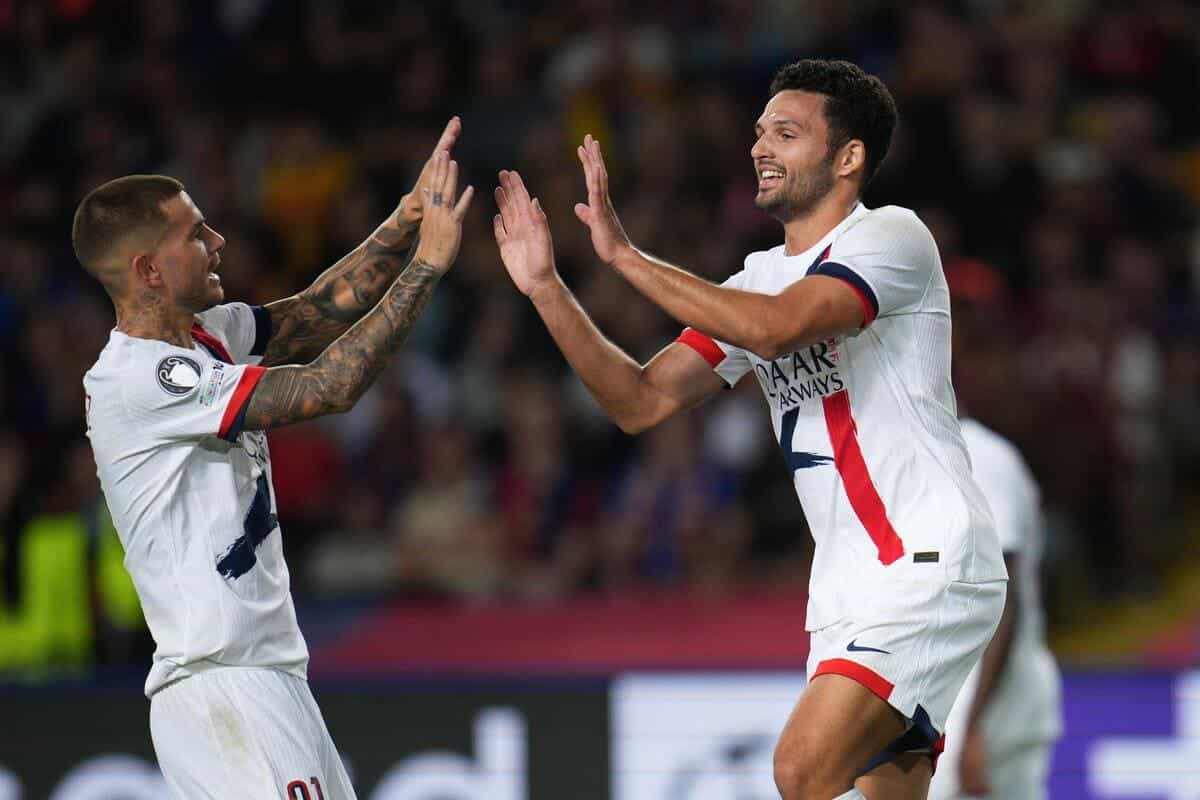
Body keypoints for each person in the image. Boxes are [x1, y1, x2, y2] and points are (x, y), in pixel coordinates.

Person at [493, 59, 1007, 799]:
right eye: (761, 132)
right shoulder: (754, 280)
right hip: (844, 591)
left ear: (848, 158)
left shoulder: (893, 238)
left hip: (926, 559)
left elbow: (776, 329)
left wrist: (624, 256)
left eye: (787, 134)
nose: (761, 147)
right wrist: (547, 287)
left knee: (800, 769)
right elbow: (640, 401)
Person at [75, 118, 473, 799]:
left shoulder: (205, 338)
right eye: (194, 234)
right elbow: (330, 386)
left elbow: (320, 309)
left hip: (267, 679)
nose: (217, 241)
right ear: (148, 270)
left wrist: (406, 219)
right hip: (223, 687)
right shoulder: (139, 379)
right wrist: (427, 266)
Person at [929, 268, 1062, 800]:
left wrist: (974, 727)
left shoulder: (979, 457)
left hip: (987, 710)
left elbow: (1000, 601)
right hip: (966, 704)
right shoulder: (934, 455)